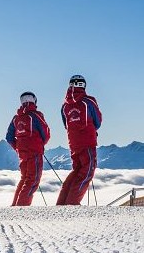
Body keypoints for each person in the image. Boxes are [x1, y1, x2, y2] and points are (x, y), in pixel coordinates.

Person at [56, 75, 102, 205]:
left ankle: (62, 203)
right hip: (87, 141)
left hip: (73, 143)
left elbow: (66, 125)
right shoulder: (89, 101)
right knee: (87, 171)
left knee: (77, 171)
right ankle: (72, 203)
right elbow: (98, 121)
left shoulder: (65, 106)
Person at [6, 91, 50, 206]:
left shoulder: (16, 118)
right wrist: (40, 144)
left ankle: (15, 205)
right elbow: (46, 133)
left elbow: (9, 137)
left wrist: (18, 148)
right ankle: (22, 208)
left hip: (22, 154)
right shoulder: (36, 115)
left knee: (24, 179)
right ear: (34, 101)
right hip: (35, 152)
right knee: (32, 180)